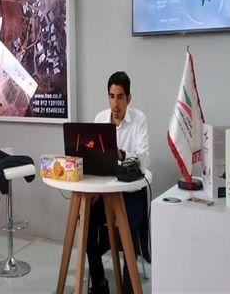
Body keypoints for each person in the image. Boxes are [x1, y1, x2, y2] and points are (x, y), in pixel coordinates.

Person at [87, 71, 150, 294]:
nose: (115, 104)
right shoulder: (99, 119)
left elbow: (144, 159)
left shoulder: (139, 119)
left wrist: (121, 154)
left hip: (130, 193)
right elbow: (93, 160)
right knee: (86, 225)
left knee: (128, 230)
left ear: (129, 98)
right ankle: (99, 283)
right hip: (104, 192)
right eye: (112, 96)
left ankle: (128, 288)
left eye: (120, 97)